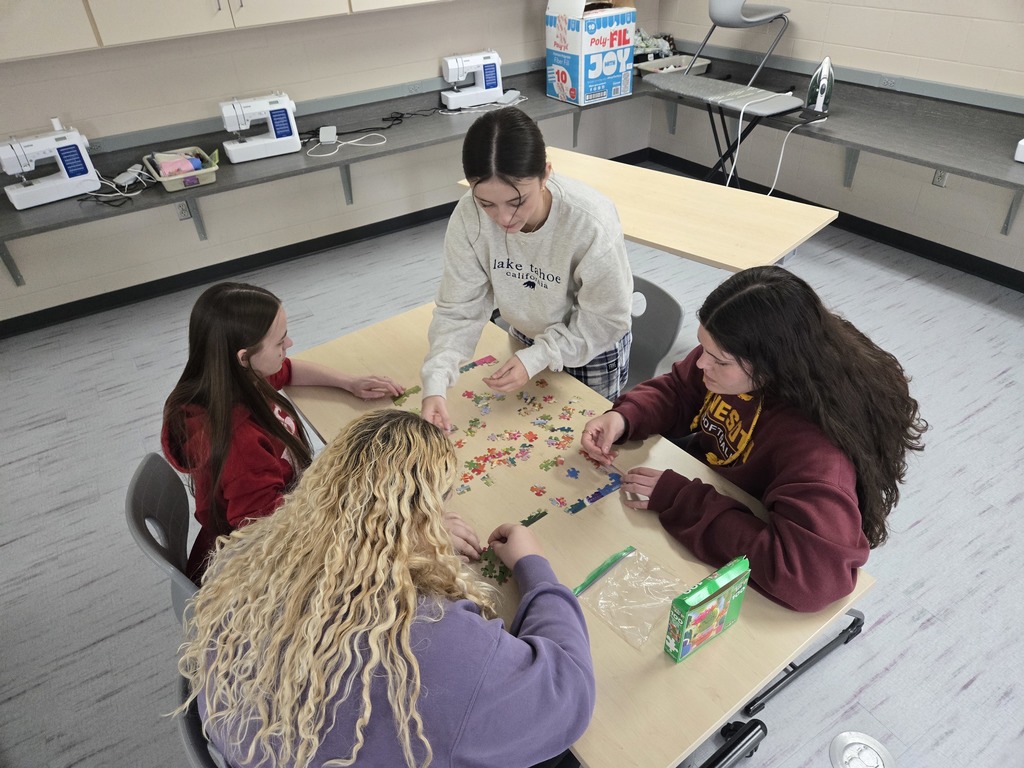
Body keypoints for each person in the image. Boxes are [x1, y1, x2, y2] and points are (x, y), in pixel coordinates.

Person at [178, 409, 595, 768]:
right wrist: (536, 568)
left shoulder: (247, 559)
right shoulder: (436, 647)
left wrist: (415, 542)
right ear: (418, 519)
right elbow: (569, 690)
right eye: (438, 506)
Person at [581, 266, 927, 612]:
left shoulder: (817, 454)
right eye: (702, 347)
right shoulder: (728, 360)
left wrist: (683, 500)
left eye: (719, 360)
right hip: (714, 485)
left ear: (773, 366)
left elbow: (811, 579)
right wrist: (624, 417)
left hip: (747, 529)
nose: (701, 364)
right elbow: (680, 388)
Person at [161, 282, 404, 584]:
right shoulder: (240, 444)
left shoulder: (234, 376)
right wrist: (363, 516)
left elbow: (288, 370)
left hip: (290, 498)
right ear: (243, 357)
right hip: (268, 552)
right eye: (279, 342)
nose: (289, 343)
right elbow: (269, 530)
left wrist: (348, 382)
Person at [421, 106, 633, 431]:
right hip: (526, 334)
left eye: (517, 201)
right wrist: (436, 379)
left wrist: (538, 356)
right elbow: (459, 308)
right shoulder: (468, 216)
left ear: (545, 174)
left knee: (584, 442)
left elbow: (606, 318)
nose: (503, 219)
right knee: (530, 433)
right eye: (487, 203)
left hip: (588, 345)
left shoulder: (589, 221)